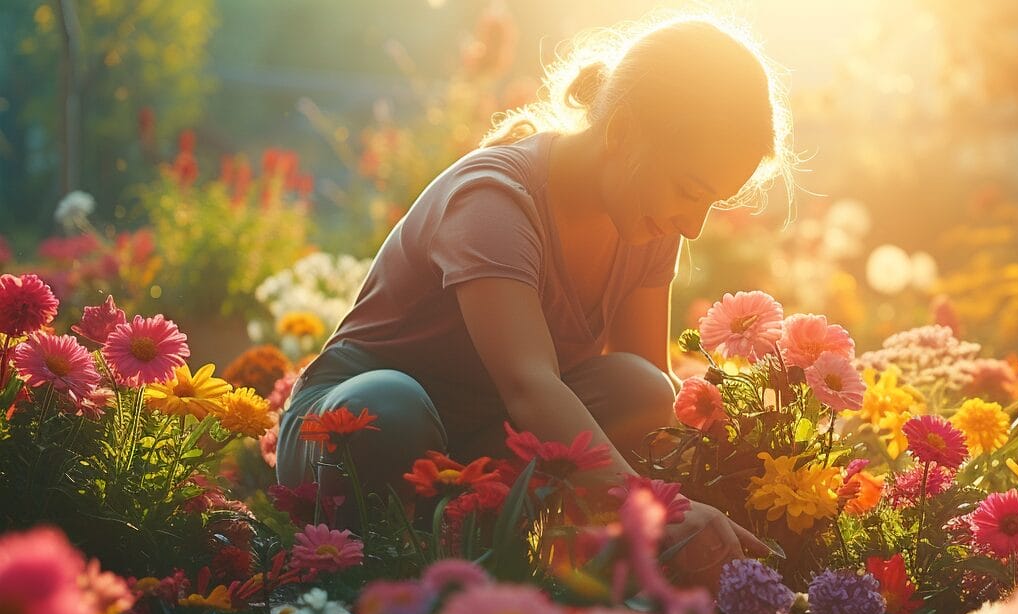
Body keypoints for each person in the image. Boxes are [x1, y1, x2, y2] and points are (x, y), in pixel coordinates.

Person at [275, 14, 797, 579]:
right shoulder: (495, 201)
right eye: (689, 191)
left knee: (642, 389)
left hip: (483, 442)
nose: (693, 225)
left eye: (711, 202)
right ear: (621, 132)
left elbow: (646, 387)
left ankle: (522, 560)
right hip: (352, 433)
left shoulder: (648, 220)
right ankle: (374, 578)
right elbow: (530, 385)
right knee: (391, 408)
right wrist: (656, 508)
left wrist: (731, 477)